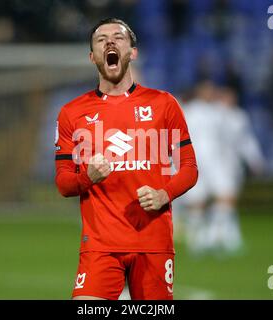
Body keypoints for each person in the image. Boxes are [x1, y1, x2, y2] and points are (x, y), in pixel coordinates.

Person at [54, 18, 198, 300]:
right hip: (100, 245)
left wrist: (163, 194)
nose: (109, 42)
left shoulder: (164, 105)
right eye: (101, 39)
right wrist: (87, 178)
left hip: (152, 243)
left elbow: (190, 169)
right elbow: (63, 183)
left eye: (118, 38)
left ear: (133, 52)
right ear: (92, 56)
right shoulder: (71, 113)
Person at [180, 83, 264, 255]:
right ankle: (202, 239)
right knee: (204, 200)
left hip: (211, 161)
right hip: (201, 160)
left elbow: (239, 137)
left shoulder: (215, 112)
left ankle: (212, 236)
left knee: (220, 197)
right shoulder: (193, 111)